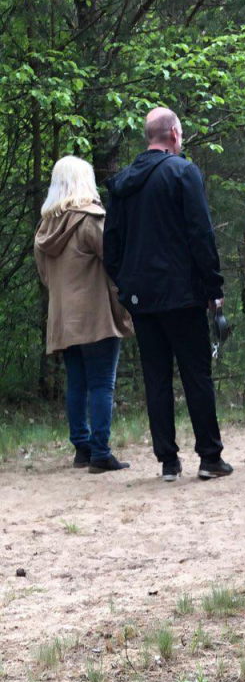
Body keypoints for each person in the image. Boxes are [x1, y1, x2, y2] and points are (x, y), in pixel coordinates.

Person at [103, 107, 232, 480]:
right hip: (183, 294)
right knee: (196, 374)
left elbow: (110, 246)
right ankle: (209, 457)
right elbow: (200, 234)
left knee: (156, 377)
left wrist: (126, 287)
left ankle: (168, 462)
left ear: (150, 136)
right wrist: (214, 288)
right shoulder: (182, 172)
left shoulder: (125, 183)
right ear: (174, 134)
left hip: (143, 298)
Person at [34, 156, 132, 473]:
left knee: (76, 382)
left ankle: (82, 447)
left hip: (63, 317)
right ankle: (101, 452)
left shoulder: (45, 227)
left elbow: (45, 276)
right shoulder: (90, 220)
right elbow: (115, 260)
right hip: (96, 315)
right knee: (102, 384)